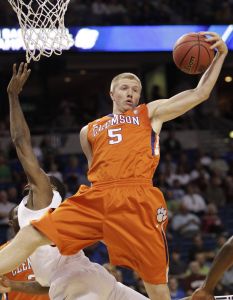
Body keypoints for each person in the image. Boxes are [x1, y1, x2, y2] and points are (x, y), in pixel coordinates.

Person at [0, 32, 228, 300]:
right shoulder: (89, 130)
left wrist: (220, 56)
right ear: (112, 92)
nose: (130, 93)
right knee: (33, 234)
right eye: (125, 88)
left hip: (137, 197)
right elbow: (95, 167)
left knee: (156, 285)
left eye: (135, 90)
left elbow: (200, 93)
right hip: (97, 195)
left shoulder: (150, 113)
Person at [0, 63, 149, 300]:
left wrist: (12, 96)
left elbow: (20, 141)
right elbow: (46, 286)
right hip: (97, 279)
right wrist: (12, 284)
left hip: (76, 283)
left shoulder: (42, 201)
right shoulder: (38, 232)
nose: (36, 177)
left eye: (41, 178)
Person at [0, 206, 49, 300]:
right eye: (19, 213)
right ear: (11, 223)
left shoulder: (49, 246)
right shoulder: (2, 251)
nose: (24, 215)